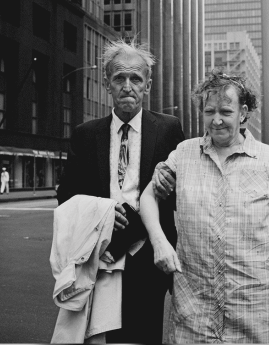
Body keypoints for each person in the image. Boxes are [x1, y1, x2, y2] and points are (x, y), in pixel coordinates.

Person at [137, 71, 269, 343]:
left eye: (226, 111)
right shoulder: (183, 153)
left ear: (243, 113)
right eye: (209, 111)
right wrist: (159, 241)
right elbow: (148, 197)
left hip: (256, 304)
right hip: (195, 306)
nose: (216, 120)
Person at [56, 38, 185, 343]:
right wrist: (100, 211)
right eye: (119, 78)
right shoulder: (86, 135)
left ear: (148, 85)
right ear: (107, 84)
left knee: (144, 336)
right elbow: (66, 195)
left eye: (136, 78)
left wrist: (173, 186)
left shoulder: (169, 128)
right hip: (100, 254)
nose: (128, 86)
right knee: (102, 336)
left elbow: (186, 194)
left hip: (148, 257)